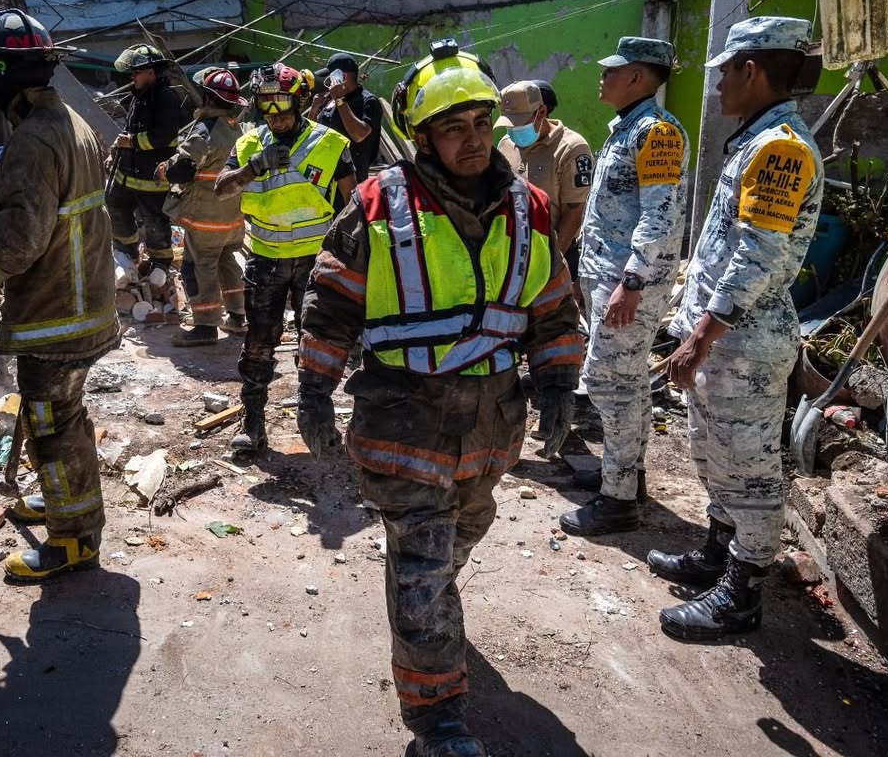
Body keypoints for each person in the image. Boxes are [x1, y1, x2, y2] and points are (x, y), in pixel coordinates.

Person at [294, 38, 582, 757]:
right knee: (423, 566)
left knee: (458, 539)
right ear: (420, 138)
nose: (473, 140)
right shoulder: (375, 208)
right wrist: (311, 391)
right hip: (404, 423)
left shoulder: (529, 207)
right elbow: (329, 306)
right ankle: (436, 719)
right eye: (454, 128)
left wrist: (555, 381)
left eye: (481, 124)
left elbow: (551, 303)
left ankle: (422, 607)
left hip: (490, 427)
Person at [655, 17, 821, 640]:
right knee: (716, 454)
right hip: (725, 339)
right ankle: (717, 554)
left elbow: (757, 256)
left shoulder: (779, 147)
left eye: (726, 70)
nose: (719, 82)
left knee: (749, 468)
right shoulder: (755, 141)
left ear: (752, 70)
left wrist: (703, 336)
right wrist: (687, 324)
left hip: (743, 344)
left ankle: (742, 593)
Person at [0, 10, 119, 582]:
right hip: (87, 303)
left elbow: (20, 245)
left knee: (52, 425)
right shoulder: (72, 121)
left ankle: (73, 541)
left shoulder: (30, 140)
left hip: (57, 315)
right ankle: (64, 496)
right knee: (66, 418)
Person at [558, 37, 689, 536]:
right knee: (628, 385)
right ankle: (626, 481)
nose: (603, 76)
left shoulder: (655, 133)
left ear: (637, 76)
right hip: (612, 280)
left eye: (613, 70)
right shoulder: (629, 130)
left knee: (611, 386)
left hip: (626, 285)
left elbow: (659, 215)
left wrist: (632, 280)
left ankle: (616, 500)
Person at [214, 63, 354, 453]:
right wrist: (253, 167)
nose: (275, 115)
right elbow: (221, 190)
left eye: (283, 105)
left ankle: (316, 420)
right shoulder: (248, 144)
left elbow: (353, 201)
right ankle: (253, 420)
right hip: (265, 259)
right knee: (259, 343)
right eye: (267, 106)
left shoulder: (329, 144)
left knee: (317, 343)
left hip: (313, 261)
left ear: (301, 101)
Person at [157, 67, 250, 345]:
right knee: (227, 263)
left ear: (208, 98)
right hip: (232, 217)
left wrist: (164, 170)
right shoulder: (238, 130)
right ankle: (237, 317)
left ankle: (206, 326)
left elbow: (183, 169)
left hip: (205, 220)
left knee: (199, 267)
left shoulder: (205, 129)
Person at [106, 43, 192, 273]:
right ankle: (128, 251)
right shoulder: (139, 97)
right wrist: (116, 151)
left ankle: (161, 264)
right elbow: (129, 131)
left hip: (151, 178)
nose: (132, 76)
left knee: (154, 221)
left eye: (137, 72)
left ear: (151, 72)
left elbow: (164, 137)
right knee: (115, 205)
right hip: (126, 174)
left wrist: (132, 142)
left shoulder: (166, 98)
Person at [494, 79, 593, 255]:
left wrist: (553, 261)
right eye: (509, 125)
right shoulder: (505, 145)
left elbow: (574, 211)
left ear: (542, 112)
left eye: (520, 123)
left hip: (556, 250)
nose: (514, 130)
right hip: (515, 251)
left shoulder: (571, 148)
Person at [313, 52, 385, 181]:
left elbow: (359, 134)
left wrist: (340, 100)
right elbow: (313, 131)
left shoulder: (368, 101)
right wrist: (313, 110)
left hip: (351, 177)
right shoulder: (332, 99)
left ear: (341, 76)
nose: (328, 81)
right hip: (324, 172)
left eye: (330, 76)